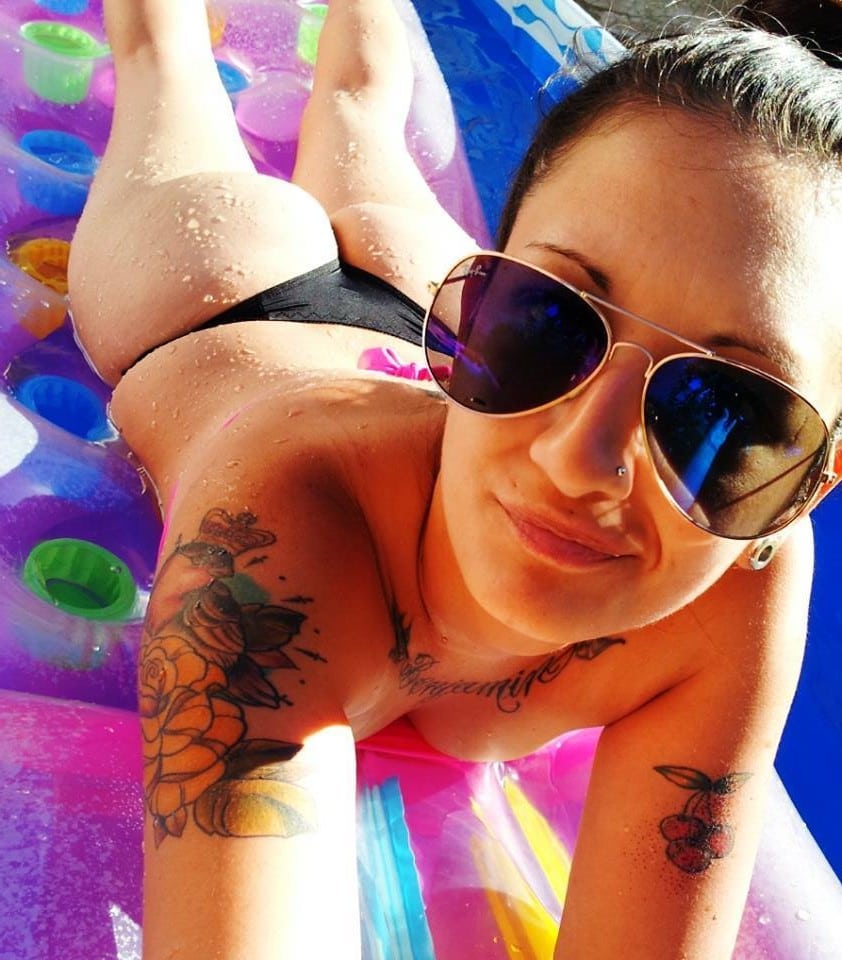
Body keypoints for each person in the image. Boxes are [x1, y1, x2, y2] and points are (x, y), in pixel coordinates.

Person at [67, 0, 842, 956]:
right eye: (545, 310)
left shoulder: (747, 576)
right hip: (215, 285)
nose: (579, 461)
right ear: (487, 289)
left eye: (724, 413)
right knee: (167, 59)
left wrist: (543, 350)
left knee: (357, 107)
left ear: (809, 485)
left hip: (438, 354)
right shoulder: (279, 527)